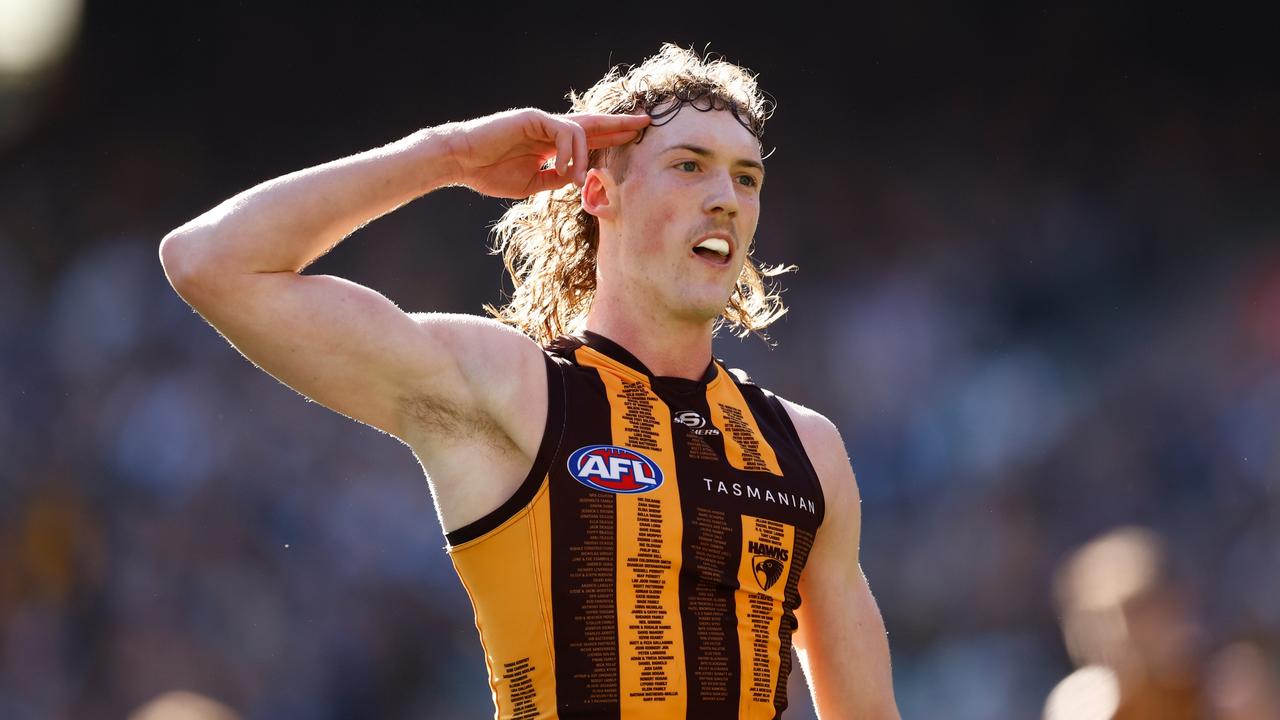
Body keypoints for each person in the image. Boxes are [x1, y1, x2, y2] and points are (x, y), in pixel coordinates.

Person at [159, 43, 899, 719]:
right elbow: (209, 263)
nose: (726, 198)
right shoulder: (512, 387)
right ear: (601, 193)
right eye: (689, 164)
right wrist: (443, 154)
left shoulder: (807, 448)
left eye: (747, 177)